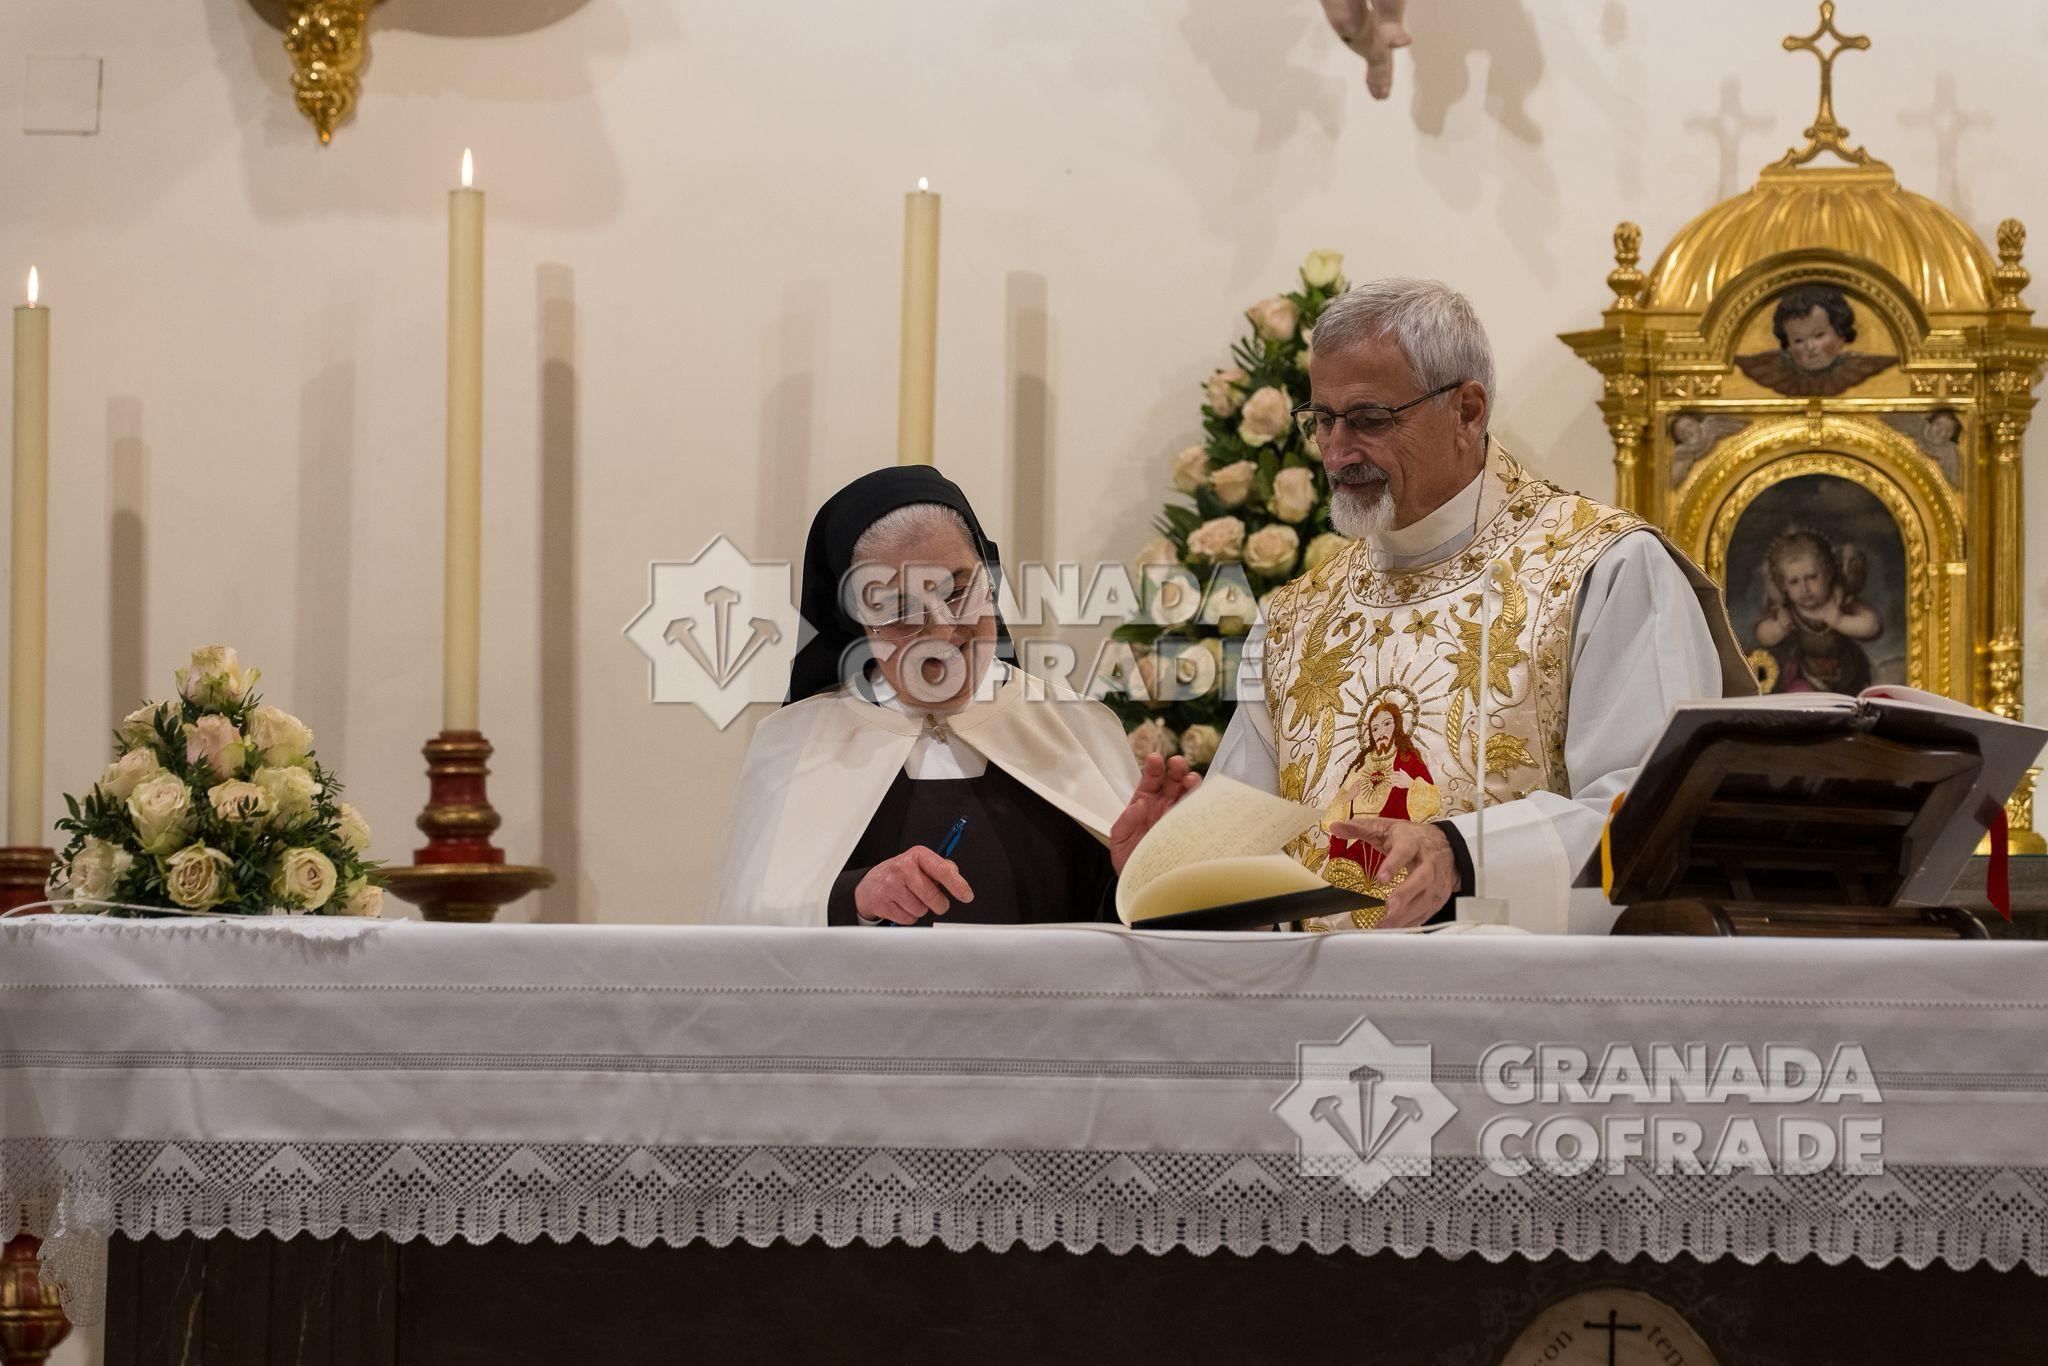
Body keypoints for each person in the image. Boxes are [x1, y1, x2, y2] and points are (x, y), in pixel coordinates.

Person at [1209, 278, 1753, 931]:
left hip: (1526, 991)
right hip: (1318, 993)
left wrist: (1463, 854)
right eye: (1323, 420)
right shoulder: (1297, 618)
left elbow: (1654, 812)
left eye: (1370, 420)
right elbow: (1239, 845)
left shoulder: (1603, 569)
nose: (1338, 451)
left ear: (1467, 411)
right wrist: (1169, 861)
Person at [710, 466, 1200, 926]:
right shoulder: (800, 743)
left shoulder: (1074, 727)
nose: (943, 631)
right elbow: (745, 934)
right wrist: (853, 899)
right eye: (901, 611)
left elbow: (1114, 941)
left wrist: (1137, 876)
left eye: (959, 591)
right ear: (858, 625)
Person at [1753, 527, 1881, 695]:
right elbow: (1762, 635)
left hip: (1848, 675)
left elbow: (1872, 626)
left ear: (1828, 573)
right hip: (1808, 675)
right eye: (1794, 582)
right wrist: (1779, 627)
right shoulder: (1788, 610)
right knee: (1799, 694)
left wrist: (1840, 621)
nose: (1804, 588)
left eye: (1812, 577)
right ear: (1783, 585)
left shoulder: (1838, 601)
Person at [1734, 284, 1896, 398]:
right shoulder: (1773, 368)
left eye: (1819, 335)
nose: (1810, 347)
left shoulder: (1857, 367)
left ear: (1840, 334)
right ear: (1788, 345)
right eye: (1798, 340)